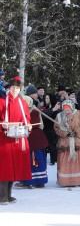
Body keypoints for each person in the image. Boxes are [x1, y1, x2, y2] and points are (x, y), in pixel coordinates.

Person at [0, 76, 32, 204]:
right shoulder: (2, 102)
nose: (14, 90)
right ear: (9, 88)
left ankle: (8, 194)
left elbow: (26, 118)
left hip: (18, 139)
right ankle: (2, 195)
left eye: (17, 88)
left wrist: (28, 125)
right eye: (13, 88)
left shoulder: (22, 103)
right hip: (4, 139)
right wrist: (3, 124)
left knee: (14, 168)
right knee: (4, 168)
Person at [54, 100, 80, 187]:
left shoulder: (79, 114)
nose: (67, 112)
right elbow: (56, 128)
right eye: (65, 110)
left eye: (69, 110)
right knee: (66, 161)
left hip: (78, 141)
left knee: (78, 161)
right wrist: (65, 133)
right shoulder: (59, 116)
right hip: (65, 142)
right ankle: (66, 181)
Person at [16, 96, 49, 188]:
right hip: (25, 137)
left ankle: (38, 181)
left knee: (36, 159)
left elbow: (35, 123)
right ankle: (25, 180)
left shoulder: (34, 112)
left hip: (34, 138)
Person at [42, 94, 61, 165]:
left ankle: (53, 159)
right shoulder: (45, 107)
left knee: (52, 145)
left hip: (52, 128)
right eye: (46, 98)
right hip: (46, 128)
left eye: (48, 98)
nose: (46, 100)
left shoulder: (55, 108)